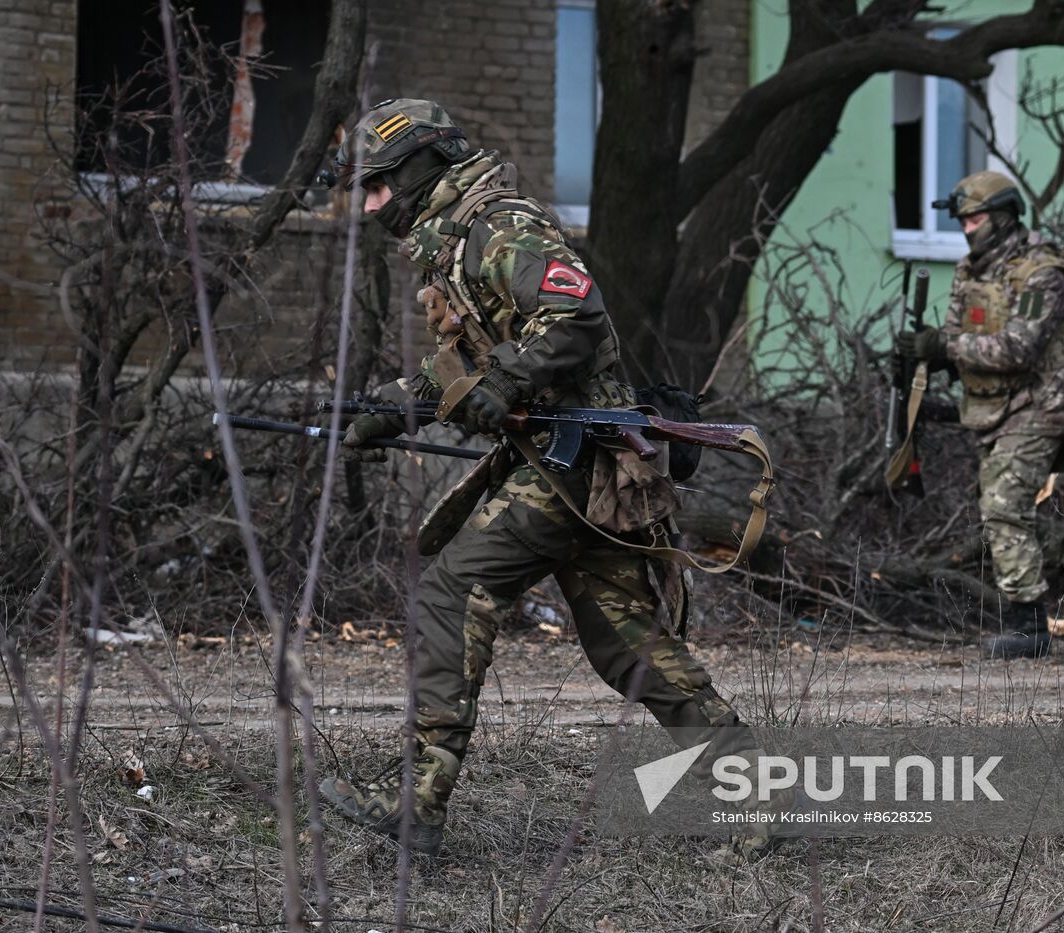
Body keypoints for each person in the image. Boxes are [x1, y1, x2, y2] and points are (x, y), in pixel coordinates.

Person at [315, 99, 758, 853]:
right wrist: (395, 412)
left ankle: (419, 805)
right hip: (577, 468)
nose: (371, 203)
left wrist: (503, 387)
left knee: (453, 589)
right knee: (629, 648)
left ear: (422, 168)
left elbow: (575, 316)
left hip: (580, 463)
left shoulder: (498, 226)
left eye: (380, 183)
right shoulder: (457, 243)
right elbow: (466, 363)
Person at [897, 171, 1064, 660]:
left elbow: (1018, 347)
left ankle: (1029, 625)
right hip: (998, 406)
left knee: (1002, 505)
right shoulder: (971, 272)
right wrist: (927, 355)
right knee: (1003, 511)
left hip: (1044, 405)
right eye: (963, 220)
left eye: (974, 218)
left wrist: (944, 344)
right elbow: (962, 341)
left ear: (1002, 216)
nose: (966, 228)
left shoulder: (1042, 274)